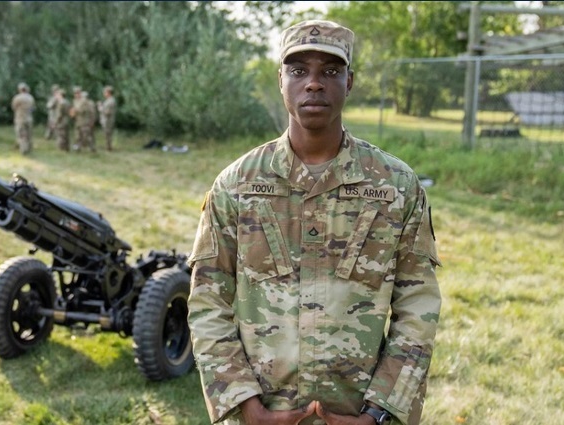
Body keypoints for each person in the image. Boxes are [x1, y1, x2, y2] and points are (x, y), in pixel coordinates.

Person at [187, 20, 441, 425]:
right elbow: (208, 302)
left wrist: (380, 414)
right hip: (262, 413)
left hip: (357, 410)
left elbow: (418, 307)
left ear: (350, 81)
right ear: (281, 80)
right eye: (299, 70)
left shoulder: (396, 187)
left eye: (331, 71)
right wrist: (244, 406)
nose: (314, 84)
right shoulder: (237, 185)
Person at [11, 82, 36, 154]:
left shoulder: (17, 98)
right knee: (29, 134)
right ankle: (29, 147)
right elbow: (33, 108)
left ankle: (23, 149)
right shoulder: (31, 97)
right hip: (29, 118)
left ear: (19, 89)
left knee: (21, 133)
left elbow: (14, 107)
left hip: (20, 118)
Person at [98, 85, 117, 151]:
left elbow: (107, 112)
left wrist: (100, 107)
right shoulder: (108, 100)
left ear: (108, 92)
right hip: (106, 120)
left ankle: (108, 147)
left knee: (107, 134)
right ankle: (108, 146)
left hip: (108, 120)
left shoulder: (111, 101)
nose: (104, 94)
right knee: (107, 134)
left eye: (105, 92)